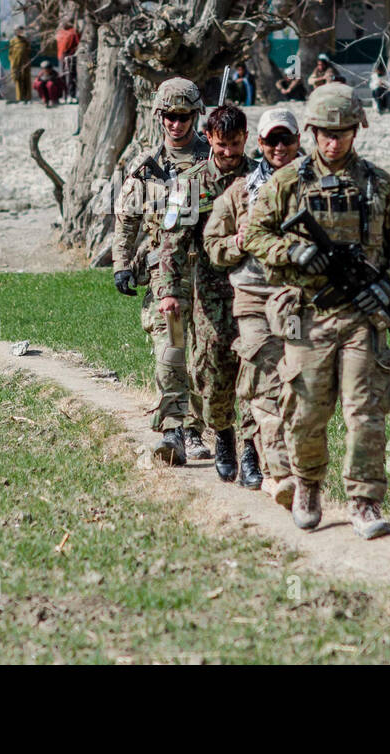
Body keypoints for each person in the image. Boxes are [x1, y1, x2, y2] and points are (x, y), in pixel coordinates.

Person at [245, 83, 390, 540]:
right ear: (313, 131)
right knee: (304, 412)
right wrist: (292, 253)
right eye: (325, 132)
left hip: (363, 318)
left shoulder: (379, 185)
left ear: (355, 130)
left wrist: (385, 284)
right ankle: (307, 487)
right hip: (307, 316)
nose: (333, 141)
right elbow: (253, 235)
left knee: (365, 412)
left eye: (342, 131)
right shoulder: (287, 183)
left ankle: (365, 500)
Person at [204, 107, 303, 506]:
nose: (279, 147)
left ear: (298, 141)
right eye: (271, 140)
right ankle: (270, 467)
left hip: (300, 298)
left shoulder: (318, 186)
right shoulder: (241, 191)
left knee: (300, 382)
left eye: (286, 139)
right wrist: (238, 244)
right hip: (253, 296)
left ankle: (293, 463)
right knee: (262, 376)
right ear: (259, 144)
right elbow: (213, 245)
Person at [156, 103, 260, 486]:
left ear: (245, 138)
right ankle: (224, 436)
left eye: (235, 144)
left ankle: (251, 449)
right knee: (214, 368)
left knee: (255, 366)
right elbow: (173, 240)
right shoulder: (190, 183)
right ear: (210, 140)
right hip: (211, 289)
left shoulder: (260, 178)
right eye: (221, 146)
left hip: (256, 286)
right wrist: (169, 291)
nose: (229, 153)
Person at [113, 77, 212, 467]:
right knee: (169, 350)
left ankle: (196, 427)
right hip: (161, 275)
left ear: (195, 115)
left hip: (206, 272)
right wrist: (122, 265)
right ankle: (172, 427)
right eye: (169, 116)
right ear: (159, 116)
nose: (176, 124)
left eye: (183, 116)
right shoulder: (147, 166)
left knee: (202, 357)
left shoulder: (213, 160)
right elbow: (126, 219)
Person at [56, 20, 80, 102]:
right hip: (61, 56)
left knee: (70, 76)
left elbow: (78, 44)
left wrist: (73, 54)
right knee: (62, 76)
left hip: (70, 56)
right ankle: (64, 95)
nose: (62, 24)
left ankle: (72, 95)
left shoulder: (73, 32)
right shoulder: (60, 32)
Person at [9, 28, 33, 103]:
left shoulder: (25, 40)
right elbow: (10, 54)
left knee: (26, 80)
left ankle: (28, 98)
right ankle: (20, 98)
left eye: (20, 31)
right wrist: (13, 64)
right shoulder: (12, 41)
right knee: (18, 80)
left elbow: (29, 50)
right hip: (16, 64)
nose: (19, 32)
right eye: (17, 31)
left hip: (25, 63)